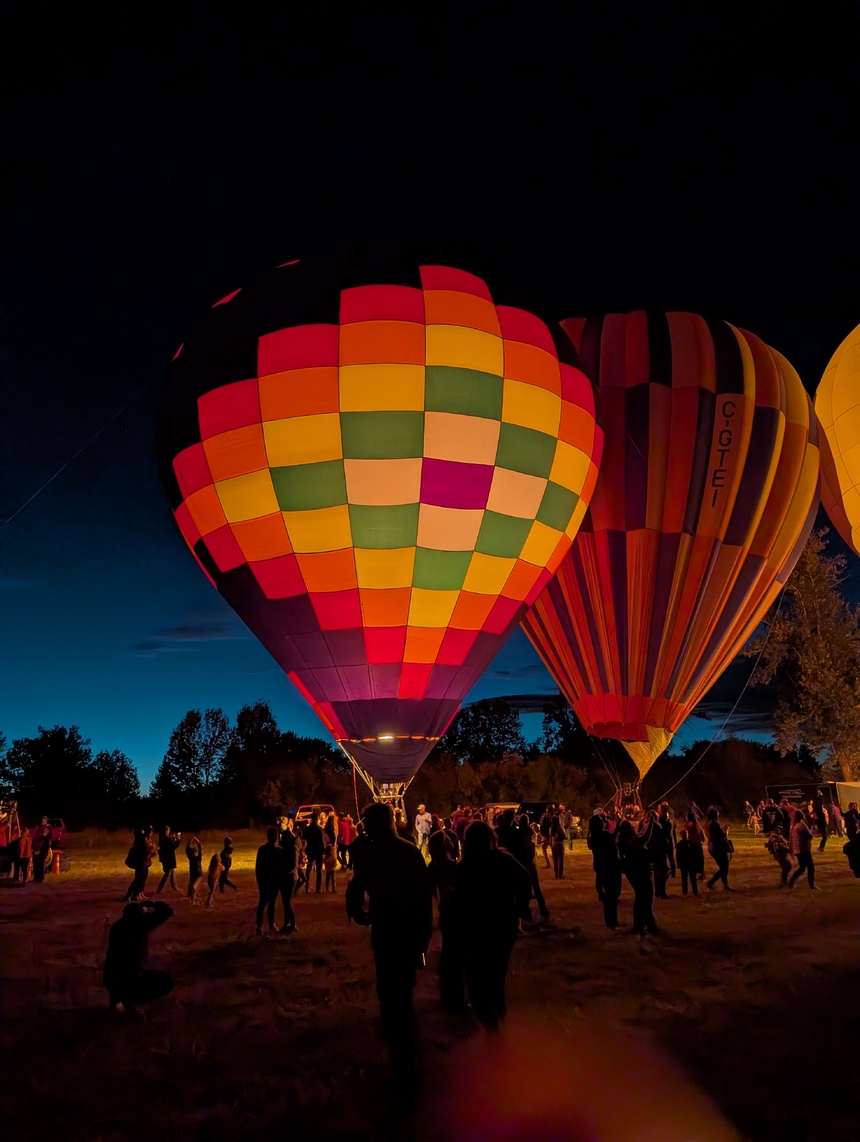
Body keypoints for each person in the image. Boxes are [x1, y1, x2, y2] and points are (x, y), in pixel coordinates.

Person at [346, 802, 432, 1079]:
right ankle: (405, 1044)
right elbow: (424, 900)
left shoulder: (370, 853)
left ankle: (398, 1043)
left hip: (386, 928)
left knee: (388, 986)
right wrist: (423, 938)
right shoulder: (409, 852)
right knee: (402, 988)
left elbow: (356, 886)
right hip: (405, 930)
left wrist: (357, 911)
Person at [448, 821, 531, 1030]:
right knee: (495, 979)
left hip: (476, 929)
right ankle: (497, 1025)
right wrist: (519, 908)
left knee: (476, 980)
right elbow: (525, 878)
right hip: (503, 926)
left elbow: (457, 901)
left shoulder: (464, 868)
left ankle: (492, 1028)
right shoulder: (503, 860)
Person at [104, 900, 174, 1018]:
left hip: (110, 977)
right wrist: (151, 904)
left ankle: (117, 1000)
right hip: (130, 976)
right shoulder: (139, 925)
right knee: (165, 982)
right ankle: (129, 1003)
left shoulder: (118, 926)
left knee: (121, 977)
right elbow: (166, 911)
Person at [427, 830, 464, 1011]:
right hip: (454, 913)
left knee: (448, 955)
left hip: (444, 913)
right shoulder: (451, 866)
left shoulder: (433, 866)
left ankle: (447, 995)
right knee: (455, 956)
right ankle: (456, 998)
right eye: (448, 840)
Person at [616, 817, 659, 936]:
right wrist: (651, 824)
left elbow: (640, 835)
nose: (633, 828)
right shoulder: (631, 842)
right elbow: (643, 838)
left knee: (642, 897)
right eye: (631, 827)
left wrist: (647, 824)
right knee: (645, 897)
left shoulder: (625, 840)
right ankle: (646, 924)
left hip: (635, 872)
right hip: (639, 872)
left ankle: (642, 924)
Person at [587, 813, 622, 927]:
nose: (603, 823)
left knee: (608, 896)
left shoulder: (593, 836)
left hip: (601, 867)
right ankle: (612, 921)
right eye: (601, 822)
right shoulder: (603, 835)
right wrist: (618, 827)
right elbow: (612, 840)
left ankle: (610, 921)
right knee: (611, 896)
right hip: (609, 866)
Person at [254, 827, 282, 935]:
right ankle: (267, 925)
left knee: (265, 902)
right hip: (269, 880)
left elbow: (258, 867)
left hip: (267, 880)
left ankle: (262, 925)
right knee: (268, 903)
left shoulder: (263, 849)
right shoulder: (277, 850)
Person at [276, 823, 298, 933]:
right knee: (286, 902)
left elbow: (293, 865)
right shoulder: (285, 849)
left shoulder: (291, 850)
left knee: (287, 902)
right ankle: (289, 923)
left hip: (290, 878)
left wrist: (283, 873)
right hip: (287, 877)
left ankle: (291, 924)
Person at [122, 826, 154, 902]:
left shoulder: (145, 840)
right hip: (140, 863)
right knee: (138, 879)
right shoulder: (141, 840)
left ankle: (138, 894)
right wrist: (150, 849)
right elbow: (142, 851)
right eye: (151, 832)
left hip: (144, 862)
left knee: (142, 879)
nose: (151, 833)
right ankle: (131, 895)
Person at [788, 810, 818, 889]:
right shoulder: (801, 825)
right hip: (803, 849)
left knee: (802, 867)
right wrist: (811, 832)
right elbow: (808, 836)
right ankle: (812, 884)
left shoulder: (793, 826)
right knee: (810, 867)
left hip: (797, 850)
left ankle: (791, 881)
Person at [705, 808, 732, 891]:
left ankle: (724, 885)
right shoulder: (715, 824)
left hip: (712, 846)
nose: (718, 815)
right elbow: (721, 836)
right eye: (717, 814)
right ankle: (712, 882)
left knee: (723, 867)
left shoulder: (708, 823)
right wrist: (726, 830)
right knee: (724, 867)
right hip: (717, 847)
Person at [155, 825, 181, 894]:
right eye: (168, 830)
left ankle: (174, 886)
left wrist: (174, 840)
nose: (169, 831)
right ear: (165, 831)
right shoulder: (166, 839)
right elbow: (173, 846)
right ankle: (159, 889)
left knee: (172, 871)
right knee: (168, 873)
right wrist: (177, 840)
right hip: (168, 858)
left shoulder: (162, 838)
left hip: (165, 857)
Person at [303, 811, 326, 893]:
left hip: (310, 850)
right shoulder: (320, 829)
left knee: (309, 868)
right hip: (318, 850)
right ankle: (318, 888)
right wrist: (323, 851)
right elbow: (322, 841)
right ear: (317, 819)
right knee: (319, 869)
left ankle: (306, 886)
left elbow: (304, 839)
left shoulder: (307, 829)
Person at [675, 828, 699, 897]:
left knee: (692, 878)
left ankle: (695, 891)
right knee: (685, 878)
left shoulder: (691, 843)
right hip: (684, 863)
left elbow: (694, 854)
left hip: (690, 863)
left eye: (686, 834)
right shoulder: (680, 844)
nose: (686, 835)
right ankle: (685, 892)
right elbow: (678, 855)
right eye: (684, 834)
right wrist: (679, 863)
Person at [185, 836, 204, 904]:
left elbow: (200, 848)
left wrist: (198, 842)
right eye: (194, 852)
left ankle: (193, 902)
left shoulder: (198, 858)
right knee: (190, 889)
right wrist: (190, 840)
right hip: (193, 875)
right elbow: (187, 849)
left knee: (193, 887)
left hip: (199, 875)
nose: (195, 853)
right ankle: (193, 899)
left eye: (196, 852)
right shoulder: (191, 858)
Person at [549, 814, 566, 879]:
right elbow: (564, 836)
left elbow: (550, 837)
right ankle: (560, 874)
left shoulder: (551, 829)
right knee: (560, 860)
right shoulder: (560, 828)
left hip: (554, 845)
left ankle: (556, 875)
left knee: (555, 861)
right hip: (559, 844)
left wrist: (551, 844)